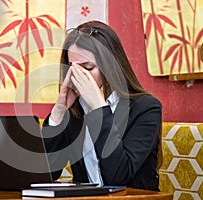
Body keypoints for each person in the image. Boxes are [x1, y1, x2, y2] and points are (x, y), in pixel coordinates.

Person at [42, 20, 162, 191]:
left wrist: (99, 108)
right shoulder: (74, 110)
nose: (79, 76)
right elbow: (47, 173)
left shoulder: (146, 108)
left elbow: (119, 176)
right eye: (72, 68)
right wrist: (58, 112)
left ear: (111, 66)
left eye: (88, 68)